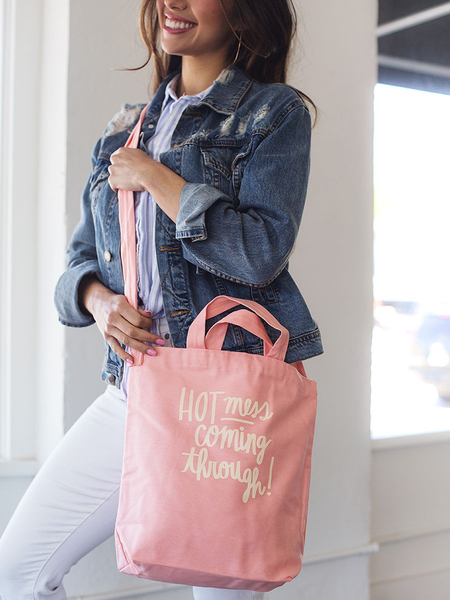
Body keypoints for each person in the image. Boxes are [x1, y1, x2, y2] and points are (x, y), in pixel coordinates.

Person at [0, 0, 323, 598]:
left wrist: (158, 178)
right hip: (134, 386)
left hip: (225, 406)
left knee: (222, 576)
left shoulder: (274, 114)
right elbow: (79, 265)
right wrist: (98, 303)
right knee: (19, 566)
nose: (173, 2)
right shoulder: (124, 127)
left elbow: (260, 253)